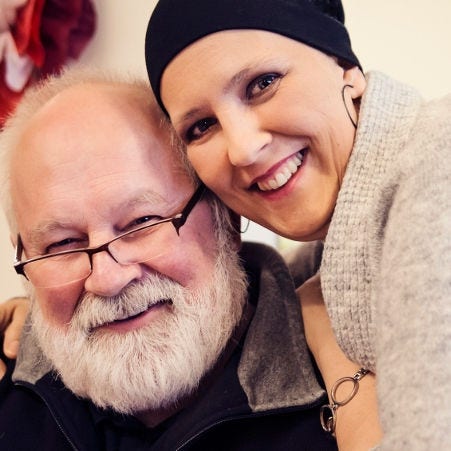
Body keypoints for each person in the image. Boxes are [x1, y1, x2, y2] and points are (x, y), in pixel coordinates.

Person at [144, 0, 451, 449]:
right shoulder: (340, 245)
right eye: (202, 126)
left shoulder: (435, 166)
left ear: (345, 66)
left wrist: (324, 334)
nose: (242, 149)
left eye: (262, 84)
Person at [0, 67, 342, 450]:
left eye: (141, 222)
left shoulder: (346, 384)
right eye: (62, 244)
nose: (109, 279)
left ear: (225, 217)